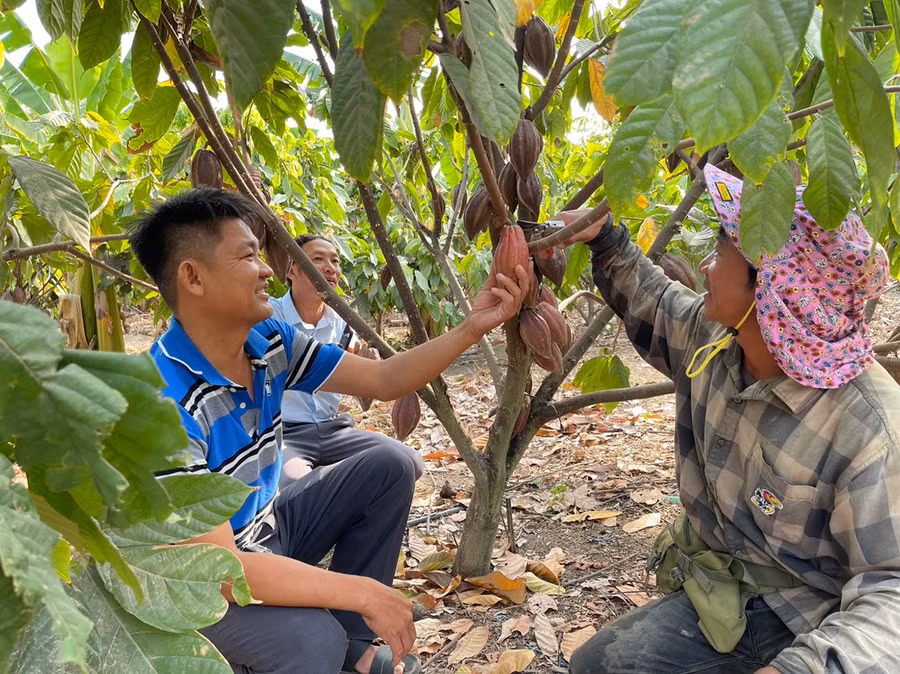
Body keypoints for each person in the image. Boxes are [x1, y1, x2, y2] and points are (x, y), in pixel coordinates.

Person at [128, 188, 529, 674]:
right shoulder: (159, 405)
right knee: (312, 641)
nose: (267, 270)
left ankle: (353, 649)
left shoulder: (267, 342)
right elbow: (218, 572)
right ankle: (309, 651)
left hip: (263, 533)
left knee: (389, 464)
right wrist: (363, 592)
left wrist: (474, 326)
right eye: (248, 256)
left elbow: (383, 379)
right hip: (194, 587)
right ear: (193, 277)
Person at [557, 164, 900, 674]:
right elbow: (657, 303)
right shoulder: (718, 341)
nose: (705, 266)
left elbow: (892, 590)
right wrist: (604, 237)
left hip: (811, 614)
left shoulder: (871, 429)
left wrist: (802, 667)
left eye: (721, 253)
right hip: (725, 585)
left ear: (773, 292)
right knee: (598, 665)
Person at [269, 234, 425, 485]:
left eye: (335, 261)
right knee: (295, 484)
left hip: (332, 430)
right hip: (284, 433)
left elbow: (371, 376)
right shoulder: (270, 316)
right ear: (291, 270)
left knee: (408, 461)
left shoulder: (344, 323)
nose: (330, 268)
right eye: (317, 259)